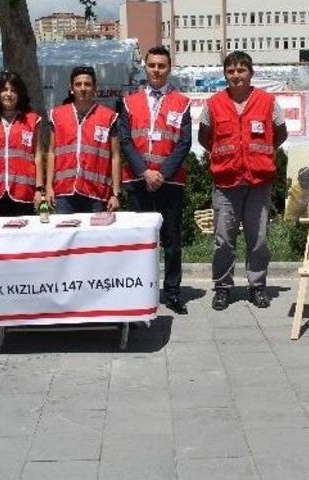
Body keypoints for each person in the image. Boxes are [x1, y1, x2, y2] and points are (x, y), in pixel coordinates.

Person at [198, 51, 287, 310]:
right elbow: (206, 138)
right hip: (226, 183)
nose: (236, 75)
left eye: (241, 70)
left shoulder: (268, 102)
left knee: (258, 238)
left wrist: (257, 155)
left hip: (259, 181)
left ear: (251, 73)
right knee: (224, 239)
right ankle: (223, 287)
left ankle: (257, 286)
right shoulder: (213, 103)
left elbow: (279, 134)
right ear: (225, 74)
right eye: (231, 71)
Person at [117, 46, 192, 315]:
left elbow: (184, 142)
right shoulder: (129, 101)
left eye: (162, 65)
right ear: (144, 67)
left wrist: (161, 173)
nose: (157, 70)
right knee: (139, 240)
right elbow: (125, 140)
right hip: (138, 181)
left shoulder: (182, 102)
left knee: (171, 240)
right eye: (152, 65)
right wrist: (144, 172)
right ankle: (139, 290)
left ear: (169, 68)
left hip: (170, 182)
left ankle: (172, 293)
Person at [46, 66, 121, 213]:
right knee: (64, 235)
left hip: (97, 194)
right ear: (71, 88)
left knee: (95, 236)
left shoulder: (109, 117)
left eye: (87, 84)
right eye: (78, 84)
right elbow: (51, 153)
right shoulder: (57, 115)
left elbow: (116, 157)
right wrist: (48, 187)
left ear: (94, 88)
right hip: (64, 193)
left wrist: (115, 194)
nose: (83, 88)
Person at [0, 71, 43, 217]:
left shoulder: (31, 120)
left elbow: (37, 156)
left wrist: (39, 189)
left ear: (20, 95)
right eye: (4, 90)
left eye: (13, 91)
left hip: (23, 192)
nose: (8, 94)